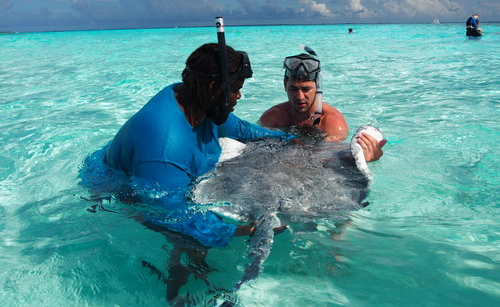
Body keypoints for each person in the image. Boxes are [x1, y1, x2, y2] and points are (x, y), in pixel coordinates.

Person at [105, 43, 292, 248]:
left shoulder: (199, 99)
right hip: (121, 191)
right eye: (236, 90)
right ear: (213, 88)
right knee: (191, 247)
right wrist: (235, 230)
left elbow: (243, 130)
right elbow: (166, 210)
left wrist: (287, 140)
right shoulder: (166, 146)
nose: (239, 96)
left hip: (161, 170)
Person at [259, 53, 385, 162]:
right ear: (285, 84)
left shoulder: (332, 123)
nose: (299, 96)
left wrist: (361, 157)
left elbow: (331, 161)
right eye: (293, 89)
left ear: (318, 87)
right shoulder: (273, 118)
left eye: (306, 89)